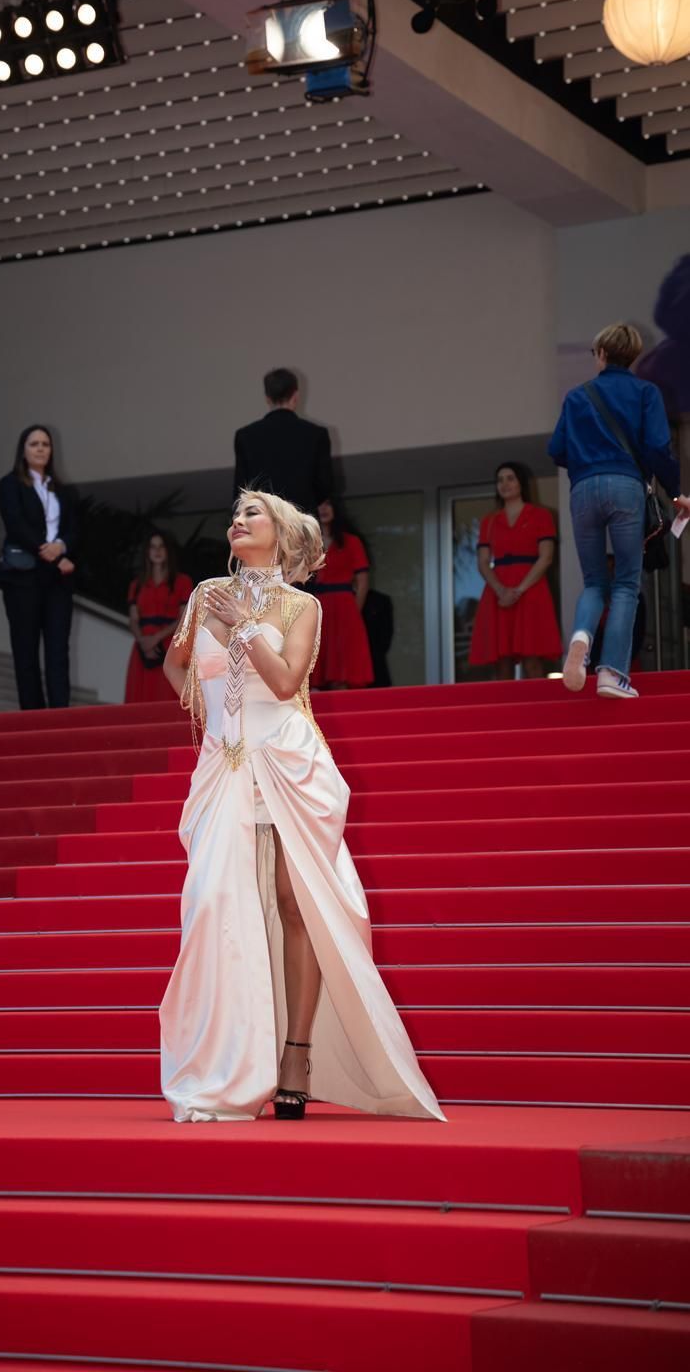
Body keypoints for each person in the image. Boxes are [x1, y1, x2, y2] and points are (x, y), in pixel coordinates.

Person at [159, 488, 445, 1125]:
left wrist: (240, 628)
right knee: (214, 902)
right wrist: (208, 712)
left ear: (281, 533)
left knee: (297, 904)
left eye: (250, 514)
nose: (237, 521)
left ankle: (296, 1056)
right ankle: (227, 1058)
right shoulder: (206, 594)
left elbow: (287, 681)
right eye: (233, 514)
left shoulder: (303, 605)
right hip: (224, 763)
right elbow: (175, 666)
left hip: (288, 759)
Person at [549, 323, 681, 700]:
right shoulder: (645, 392)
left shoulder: (577, 396)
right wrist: (676, 492)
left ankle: (580, 637)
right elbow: (658, 447)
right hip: (626, 488)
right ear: (633, 355)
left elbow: (557, 449)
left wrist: (588, 459)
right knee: (625, 584)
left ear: (602, 354)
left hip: (584, 490)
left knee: (594, 582)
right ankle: (611, 673)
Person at [0, 424, 78, 711]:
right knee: (26, 649)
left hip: (57, 579)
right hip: (23, 577)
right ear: (23, 450)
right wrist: (54, 555)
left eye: (45, 444)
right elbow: (16, 525)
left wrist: (63, 547)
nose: (41, 448)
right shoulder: (10, 484)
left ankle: (59, 715)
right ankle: (33, 715)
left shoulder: (63, 490)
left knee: (58, 650)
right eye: (34, 444)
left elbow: (74, 530)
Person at [468, 462, 563, 680]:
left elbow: (546, 557)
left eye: (510, 478)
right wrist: (501, 591)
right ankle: (505, 713)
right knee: (502, 663)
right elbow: (483, 562)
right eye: (500, 480)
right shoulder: (489, 522)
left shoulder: (541, 515)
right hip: (498, 593)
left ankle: (539, 712)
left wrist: (518, 590)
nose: (504, 484)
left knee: (533, 660)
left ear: (521, 483)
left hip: (531, 589)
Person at [233, 367, 334, 514]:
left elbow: (241, 490)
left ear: (267, 397)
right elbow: (325, 486)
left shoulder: (245, 436)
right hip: (303, 519)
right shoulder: (316, 434)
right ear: (295, 395)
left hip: (264, 520)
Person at [311, 497, 373, 688]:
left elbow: (363, 582)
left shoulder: (351, 542)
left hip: (345, 606)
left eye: (328, 503)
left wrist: (354, 611)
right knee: (314, 664)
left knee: (343, 666)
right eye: (319, 503)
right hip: (316, 606)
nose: (323, 508)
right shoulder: (308, 543)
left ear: (336, 508)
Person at [124, 531, 193, 703]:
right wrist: (143, 641)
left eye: (161, 546)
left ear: (168, 551)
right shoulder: (136, 585)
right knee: (139, 696)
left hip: (170, 644)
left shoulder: (182, 581)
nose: (157, 551)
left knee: (166, 693)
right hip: (142, 646)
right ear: (147, 551)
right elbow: (133, 619)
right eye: (153, 547)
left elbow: (184, 618)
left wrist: (154, 639)